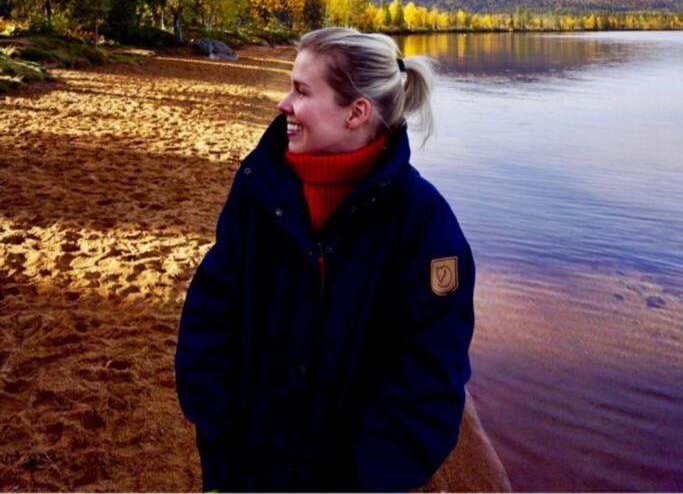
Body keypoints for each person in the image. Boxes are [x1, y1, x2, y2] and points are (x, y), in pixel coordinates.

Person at [175, 27, 475, 493]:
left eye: (301, 90)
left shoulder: (425, 226)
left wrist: (365, 481)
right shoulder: (259, 189)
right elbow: (211, 319)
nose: (283, 104)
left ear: (357, 112)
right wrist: (221, 453)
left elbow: (428, 381)